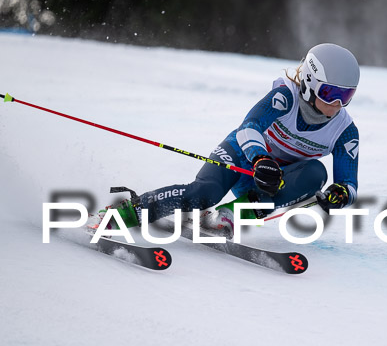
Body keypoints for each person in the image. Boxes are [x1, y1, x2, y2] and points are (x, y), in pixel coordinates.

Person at [90, 43, 360, 236]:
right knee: (202, 194)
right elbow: (248, 128)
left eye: (346, 96)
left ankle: (230, 215)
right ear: (310, 83)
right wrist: (261, 158)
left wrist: (341, 195)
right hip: (243, 158)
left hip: (271, 186)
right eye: (330, 93)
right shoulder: (285, 97)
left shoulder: (345, 131)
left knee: (316, 172)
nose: (337, 104)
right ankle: (125, 212)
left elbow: (350, 184)